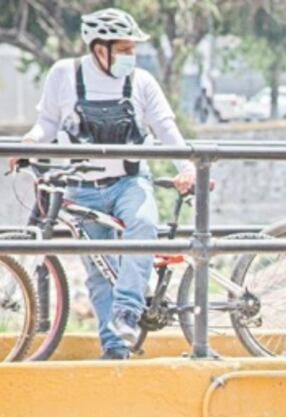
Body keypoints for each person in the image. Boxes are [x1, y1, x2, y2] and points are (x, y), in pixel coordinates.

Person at [14, 8, 195, 360]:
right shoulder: (64, 75)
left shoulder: (141, 81)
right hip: (82, 188)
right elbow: (47, 124)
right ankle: (114, 348)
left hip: (129, 181)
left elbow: (166, 129)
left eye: (132, 49)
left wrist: (187, 167)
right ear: (101, 49)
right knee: (98, 272)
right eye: (125, 49)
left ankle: (128, 312)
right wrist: (26, 144)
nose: (132, 56)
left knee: (142, 226)